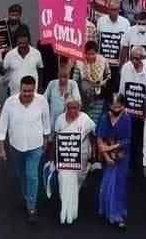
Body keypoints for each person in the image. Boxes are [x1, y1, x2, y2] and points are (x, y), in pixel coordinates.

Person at [0, 76, 50, 223]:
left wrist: (46, 139)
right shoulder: (10, 102)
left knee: (32, 175)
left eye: (30, 91)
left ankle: (31, 206)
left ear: (35, 89)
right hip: (16, 147)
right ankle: (28, 198)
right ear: (20, 88)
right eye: (24, 90)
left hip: (35, 147)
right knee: (22, 176)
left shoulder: (41, 101)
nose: (27, 94)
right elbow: (3, 124)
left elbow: (46, 121)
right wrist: (1, 147)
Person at [53, 97, 96, 225]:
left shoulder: (85, 119)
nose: (72, 110)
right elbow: (56, 138)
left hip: (81, 155)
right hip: (63, 156)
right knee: (63, 181)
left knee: (77, 181)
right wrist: (53, 158)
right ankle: (65, 210)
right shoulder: (60, 119)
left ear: (79, 107)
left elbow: (92, 135)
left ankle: (71, 207)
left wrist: (94, 152)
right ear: (66, 108)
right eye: (70, 108)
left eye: (75, 108)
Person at [96, 93, 132, 229]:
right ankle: (107, 209)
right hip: (107, 157)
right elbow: (99, 139)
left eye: (119, 106)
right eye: (113, 106)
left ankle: (118, 214)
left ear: (123, 106)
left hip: (122, 156)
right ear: (109, 105)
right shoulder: (105, 118)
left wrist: (111, 147)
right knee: (107, 184)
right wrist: (106, 156)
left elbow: (127, 140)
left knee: (119, 185)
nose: (116, 109)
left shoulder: (126, 118)